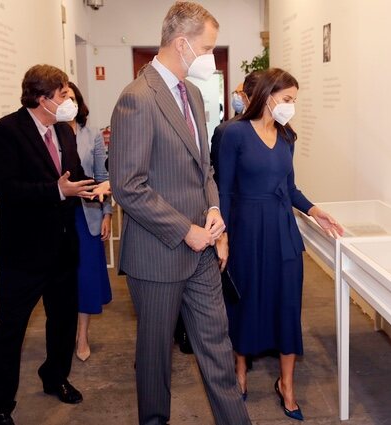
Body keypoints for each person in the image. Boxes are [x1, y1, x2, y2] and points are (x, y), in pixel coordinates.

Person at [108, 3, 251, 425]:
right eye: (207, 47)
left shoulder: (192, 93)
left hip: (202, 251)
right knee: (155, 361)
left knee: (218, 351)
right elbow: (127, 186)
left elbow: (202, 165)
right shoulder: (136, 99)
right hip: (157, 255)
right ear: (182, 43)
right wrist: (183, 229)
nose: (209, 55)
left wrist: (212, 209)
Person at [0, 64, 109, 425]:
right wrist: (58, 191)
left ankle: (55, 376)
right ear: (42, 99)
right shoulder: (6, 132)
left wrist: (95, 189)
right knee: (10, 330)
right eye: (64, 95)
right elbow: (7, 190)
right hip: (21, 254)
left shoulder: (64, 133)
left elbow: (73, 177)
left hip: (62, 249)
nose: (70, 101)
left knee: (62, 322)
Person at [217, 67, 344, 421]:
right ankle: (240, 370)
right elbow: (224, 189)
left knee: (287, 306)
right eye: (287, 99)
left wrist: (316, 211)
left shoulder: (287, 137)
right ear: (268, 96)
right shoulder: (234, 134)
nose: (290, 106)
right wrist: (223, 236)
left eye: (294, 101)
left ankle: (286, 383)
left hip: (282, 231)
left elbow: (290, 188)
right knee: (244, 303)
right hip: (245, 231)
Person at [175, 70, 264, 356]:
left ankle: (247, 343)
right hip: (223, 214)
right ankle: (194, 333)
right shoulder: (228, 131)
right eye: (238, 93)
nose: (239, 98)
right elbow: (217, 179)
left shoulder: (276, 133)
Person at [66, 81, 113, 362]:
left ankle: (82, 334)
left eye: (71, 98)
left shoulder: (91, 134)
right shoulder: (48, 133)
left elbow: (101, 176)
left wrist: (107, 212)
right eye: (62, 97)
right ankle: (63, 330)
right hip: (58, 215)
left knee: (85, 277)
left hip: (86, 215)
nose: (67, 103)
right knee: (64, 278)